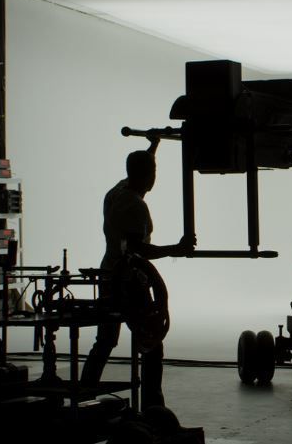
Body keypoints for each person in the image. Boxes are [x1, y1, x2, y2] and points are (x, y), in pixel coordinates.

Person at [80, 137, 195, 410]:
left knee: (105, 341)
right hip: (129, 281)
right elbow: (137, 250)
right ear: (147, 176)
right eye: (153, 172)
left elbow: (139, 169)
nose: (155, 178)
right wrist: (176, 249)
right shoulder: (136, 206)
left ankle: (83, 395)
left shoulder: (116, 192)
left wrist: (153, 146)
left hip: (108, 274)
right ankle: (153, 407)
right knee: (152, 343)